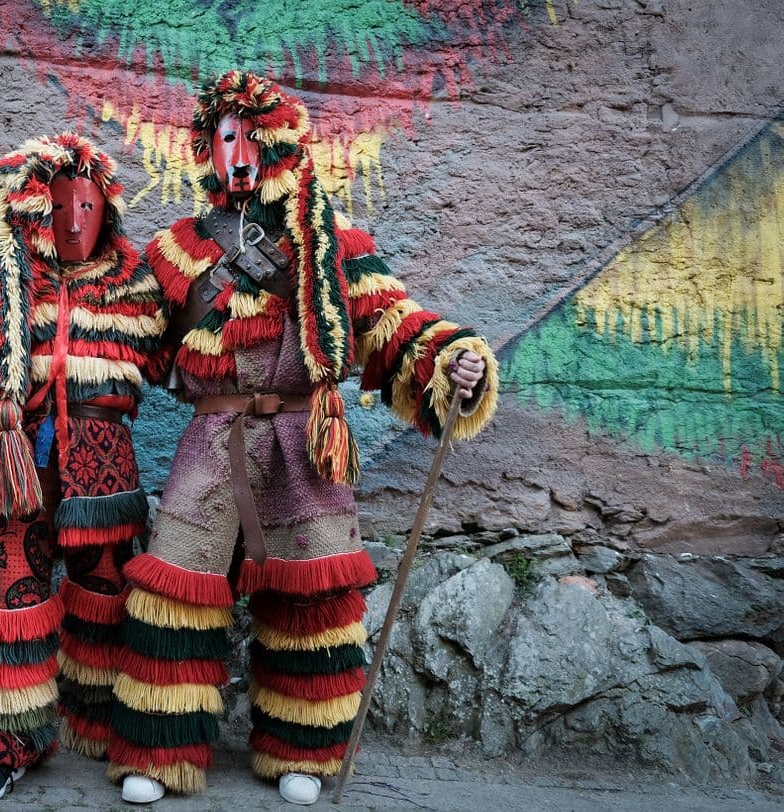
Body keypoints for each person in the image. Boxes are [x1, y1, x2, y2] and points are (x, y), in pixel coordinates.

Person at [105, 71, 498, 805]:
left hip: (304, 441)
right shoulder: (175, 250)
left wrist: (451, 361)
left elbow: (395, 324)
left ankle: (302, 749)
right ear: (206, 150)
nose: (240, 151)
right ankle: (159, 751)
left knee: (310, 602)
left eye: (252, 137)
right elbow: (126, 339)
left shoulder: (336, 243)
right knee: (178, 591)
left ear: (281, 143)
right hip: (213, 438)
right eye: (226, 138)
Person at [0, 133, 166, 802]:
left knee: (106, 589)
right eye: (62, 207)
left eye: (88, 206)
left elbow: (185, 356)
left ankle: (98, 717)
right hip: (16, 465)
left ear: (106, 209)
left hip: (103, 470)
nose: (75, 220)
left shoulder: (134, 283)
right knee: (10, 593)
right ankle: (4, 740)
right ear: (34, 208)